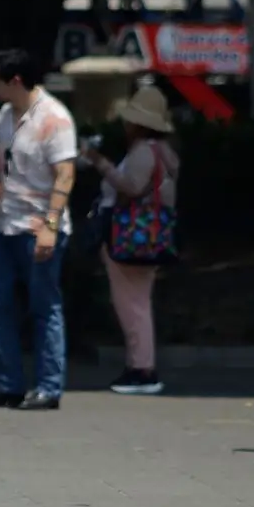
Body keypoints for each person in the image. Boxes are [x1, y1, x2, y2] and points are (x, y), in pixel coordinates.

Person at [0, 48, 77, 411]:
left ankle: (48, 387)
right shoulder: (5, 115)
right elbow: (8, 168)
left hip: (38, 226)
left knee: (44, 306)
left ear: (15, 81)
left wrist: (51, 226)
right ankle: (7, 385)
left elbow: (65, 174)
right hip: (5, 222)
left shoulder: (55, 118)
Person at [81, 86, 178, 395]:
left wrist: (101, 163)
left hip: (128, 236)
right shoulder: (164, 152)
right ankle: (140, 365)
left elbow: (131, 187)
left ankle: (141, 369)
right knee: (139, 304)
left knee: (131, 306)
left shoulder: (144, 151)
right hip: (151, 236)